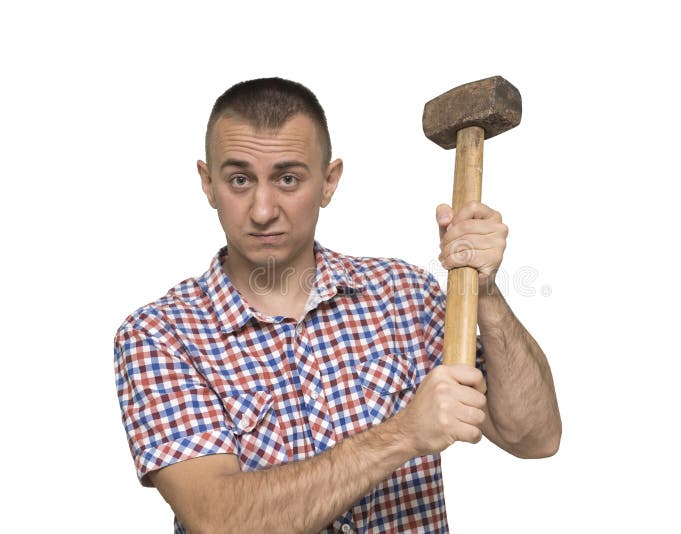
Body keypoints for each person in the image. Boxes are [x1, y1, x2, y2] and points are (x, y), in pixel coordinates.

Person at [114, 77, 561, 533]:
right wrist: (404, 433)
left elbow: (535, 436)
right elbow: (219, 521)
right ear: (208, 184)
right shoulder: (160, 337)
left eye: (288, 179)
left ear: (329, 183)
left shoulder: (403, 295)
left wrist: (485, 292)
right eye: (240, 180)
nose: (262, 210)